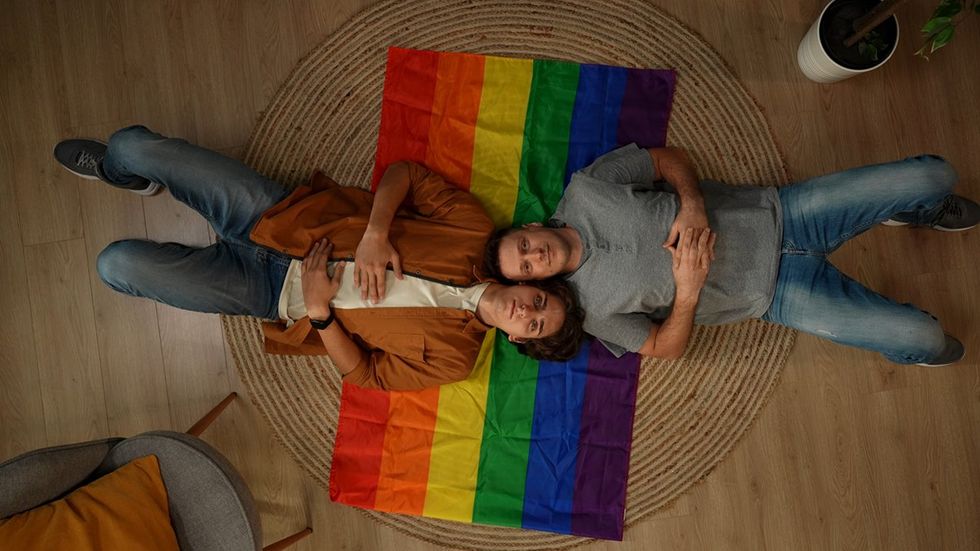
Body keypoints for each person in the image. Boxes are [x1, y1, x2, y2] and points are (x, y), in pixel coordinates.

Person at [54, 126, 585, 391]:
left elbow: (366, 376)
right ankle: (131, 177)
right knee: (126, 147)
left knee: (115, 266)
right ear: (528, 284)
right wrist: (377, 232)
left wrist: (322, 313)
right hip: (284, 217)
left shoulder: (455, 361)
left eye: (535, 326)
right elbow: (406, 173)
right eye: (538, 299)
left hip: (269, 293)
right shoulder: (474, 232)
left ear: (520, 340)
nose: (526, 312)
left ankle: (142, 186)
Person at [486, 144, 978, 366]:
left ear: (530, 227)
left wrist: (693, 204)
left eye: (524, 248)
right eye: (527, 268)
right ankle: (918, 342)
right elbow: (665, 348)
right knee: (925, 338)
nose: (535, 259)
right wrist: (688, 291)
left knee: (935, 175)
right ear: (538, 284)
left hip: (782, 212)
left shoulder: (587, 188)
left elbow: (665, 158)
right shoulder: (591, 312)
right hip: (776, 293)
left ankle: (910, 209)